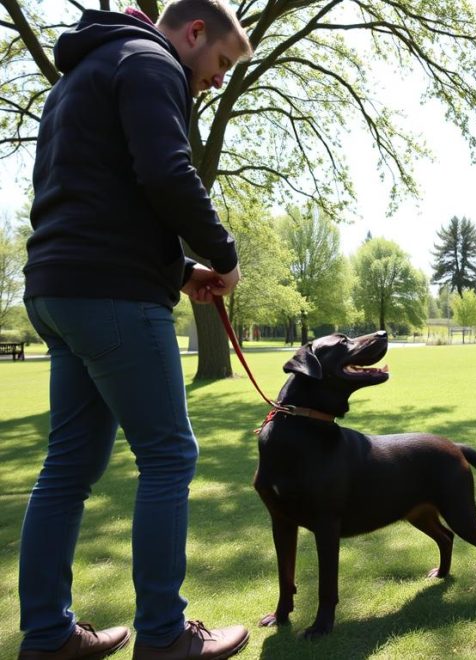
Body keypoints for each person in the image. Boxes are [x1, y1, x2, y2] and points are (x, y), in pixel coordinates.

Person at [19, 2, 253, 658]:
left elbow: (98, 195)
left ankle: (47, 636)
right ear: (194, 32)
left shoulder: (77, 78)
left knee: (68, 466)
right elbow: (164, 173)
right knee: (169, 456)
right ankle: (164, 635)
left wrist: (178, 270)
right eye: (220, 64)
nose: (215, 80)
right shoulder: (153, 62)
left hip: (58, 290)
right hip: (113, 295)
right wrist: (226, 259)